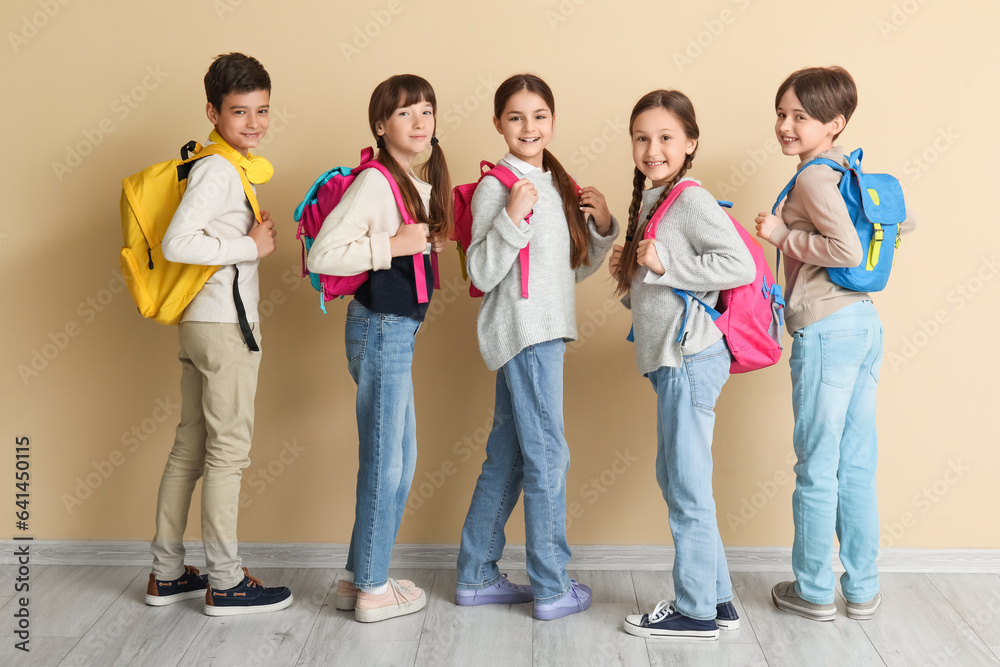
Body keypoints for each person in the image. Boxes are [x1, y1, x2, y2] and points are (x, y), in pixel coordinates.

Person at [455, 73, 618, 621]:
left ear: (552, 119)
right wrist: (510, 218)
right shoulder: (497, 187)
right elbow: (479, 270)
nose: (529, 127)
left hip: (543, 327)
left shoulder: (552, 181)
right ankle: (551, 587)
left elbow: (564, 271)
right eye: (516, 117)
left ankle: (476, 574)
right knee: (549, 456)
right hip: (525, 333)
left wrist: (600, 228)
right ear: (499, 123)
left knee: (511, 456)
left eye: (539, 116)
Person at [754, 66, 913, 622]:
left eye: (801, 116)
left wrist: (782, 235)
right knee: (855, 464)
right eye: (781, 113)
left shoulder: (813, 179)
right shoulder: (850, 171)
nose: (786, 126)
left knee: (818, 466)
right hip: (865, 324)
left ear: (834, 123)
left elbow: (844, 250)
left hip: (827, 327)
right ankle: (863, 589)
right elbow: (900, 225)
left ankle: (816, 591)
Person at [147, 52, 292, 616]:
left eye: (262, 110)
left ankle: (166, 572)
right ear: (213, 111)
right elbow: (178, 243)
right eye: (239, 112)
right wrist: (249, 248)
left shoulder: (221, 162)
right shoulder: (217, 169)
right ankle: (226, 581)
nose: (253, 123)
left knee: (191, 446)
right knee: (228, 453)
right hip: (223, 326)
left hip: (198, 324)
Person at [306, 74, 453, 623]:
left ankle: (354, 578)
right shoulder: (374, 181)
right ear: (380, 126)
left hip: (395, 332)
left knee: (399, 459)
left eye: (426, 111)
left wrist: (415, 243)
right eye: (406, 113)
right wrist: (393, 245)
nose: (419, 122)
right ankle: (372, 587)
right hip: (380, 330)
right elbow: (323, 255)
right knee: (385, 462)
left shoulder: (407, 181)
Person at [610, 90, 755, 640]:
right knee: (679, 479)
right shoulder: (655, 200)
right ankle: (716, 601)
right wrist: (638, 271)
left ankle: (693, 611)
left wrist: (664, 261)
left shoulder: (691, 198)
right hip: (673, 359)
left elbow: (736, 265)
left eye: (666, 137)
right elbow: (656, 292)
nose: (653, 148)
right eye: (643, 138)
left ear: (690, 142)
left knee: (686, 486)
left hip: (689, 357)